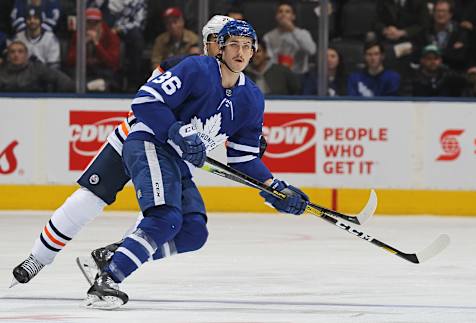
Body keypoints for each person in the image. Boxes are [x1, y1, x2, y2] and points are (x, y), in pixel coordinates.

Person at [82, 19, 309, 309]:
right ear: (221, 49)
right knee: (166, 218)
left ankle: (119, 255)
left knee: (192, 232)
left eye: (247, 47)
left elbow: (243, 158)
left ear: (254, 53)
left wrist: (275, 188)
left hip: (176, 159)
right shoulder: (196, 69)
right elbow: (145, 100)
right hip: (149, 143)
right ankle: (107, 281)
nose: (240, 52)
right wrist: (174, 129)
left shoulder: (251, 98)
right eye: (234, 45)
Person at [9, 14, 240, 287]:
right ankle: (38, 257)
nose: (229, 47)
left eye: (237, 42)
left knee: (170, 221)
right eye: (221, 40)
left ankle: (116, 257)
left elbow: (223, 122)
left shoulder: (235, 85)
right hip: (137, 137)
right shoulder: (185, 66)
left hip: (170, 156)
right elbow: (149, 101)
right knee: (90, 198)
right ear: (209, 43)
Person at [66, 7, 120, 92]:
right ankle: (89, 86)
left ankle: (90, 86)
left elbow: (112, 63)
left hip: (103, 72)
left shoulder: (111, 37)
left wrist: (97, 44)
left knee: (109, 80)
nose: (92, 26)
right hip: (85, 72)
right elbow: (70, 60)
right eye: (89, 23)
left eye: (95, 23)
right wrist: (83, 44)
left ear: (101, 23)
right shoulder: (78, 35)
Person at [263, 1, 316, 76]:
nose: (283, 14)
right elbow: (268, 59)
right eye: (280, 11)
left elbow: (311, 50)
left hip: (299, 75)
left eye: (287, 11)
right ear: (276, 16)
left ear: (293, 16)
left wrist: (292, 29)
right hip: (278, 75)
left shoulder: (303, 33)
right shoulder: (268, 36)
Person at [0, 40, 73, 92]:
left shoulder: (37, 68)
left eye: (20, 51)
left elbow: (63, 80)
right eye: (12, 52)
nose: (16, 55)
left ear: (26, 55)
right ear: (8, 56)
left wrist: (59, 99)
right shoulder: (2, 72)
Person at [401, 43, 467, 96]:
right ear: (422, 60)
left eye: (436, 58)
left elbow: (465, 82)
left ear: (440, 61)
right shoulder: (413, 77)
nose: (433, 62)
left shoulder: (447, 74)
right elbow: (407, 99)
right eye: (429, 58)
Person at [425, 0, 468, 71]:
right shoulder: (426, 32)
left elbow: (460, 57)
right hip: (430, 72)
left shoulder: (460, 32)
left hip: (453, 72)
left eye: (444, 11)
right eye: (438, 11)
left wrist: (437, 56)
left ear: (450, 14)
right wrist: (450, 52)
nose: (440, 14)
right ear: (433, 13)